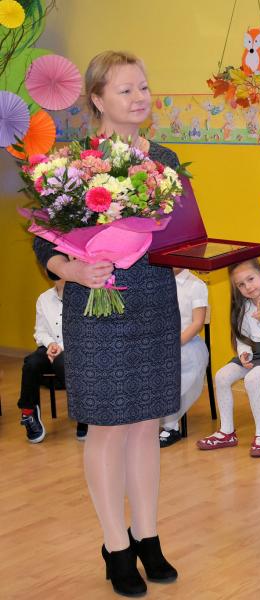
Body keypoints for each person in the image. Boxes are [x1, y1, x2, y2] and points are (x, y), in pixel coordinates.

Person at [33, 51, 180, 596]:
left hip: (153, 301)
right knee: (109, 426)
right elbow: (42, 244)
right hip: (98, 305)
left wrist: (188, 251)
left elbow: (179, 229)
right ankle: (116, 545)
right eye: (125, 89)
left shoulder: (164, 159)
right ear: (97, 98)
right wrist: (74, 268)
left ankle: (147, 536)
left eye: (143, 87)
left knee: (146, 424)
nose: (139, 97)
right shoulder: (73, 164)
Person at [196, 259, 260, 458]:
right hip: (255, 354)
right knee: (221, 376)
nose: (248, 287)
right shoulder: (243, 307)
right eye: (241, 285)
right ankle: (227, 431)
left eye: (251, 279)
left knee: (252, 379)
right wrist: (244, 353)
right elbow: (241, 337)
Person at [17, 278, 88, 443]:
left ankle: (84, 416)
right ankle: (29, 414)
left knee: (62, 362)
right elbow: (40, 331)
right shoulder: (43, 298)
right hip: (49, 347)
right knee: (31, 364)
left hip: (73, 347)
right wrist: (51, 344)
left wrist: (60, 347)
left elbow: (83, 331)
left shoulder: (82, 296)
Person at [159, 268, 209, 447]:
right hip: (160, 343)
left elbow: (197, 323)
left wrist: (173, 344)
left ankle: (171, 426)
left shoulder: (196, 285)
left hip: (186, 344)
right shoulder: (158, 280)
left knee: (170, 369)